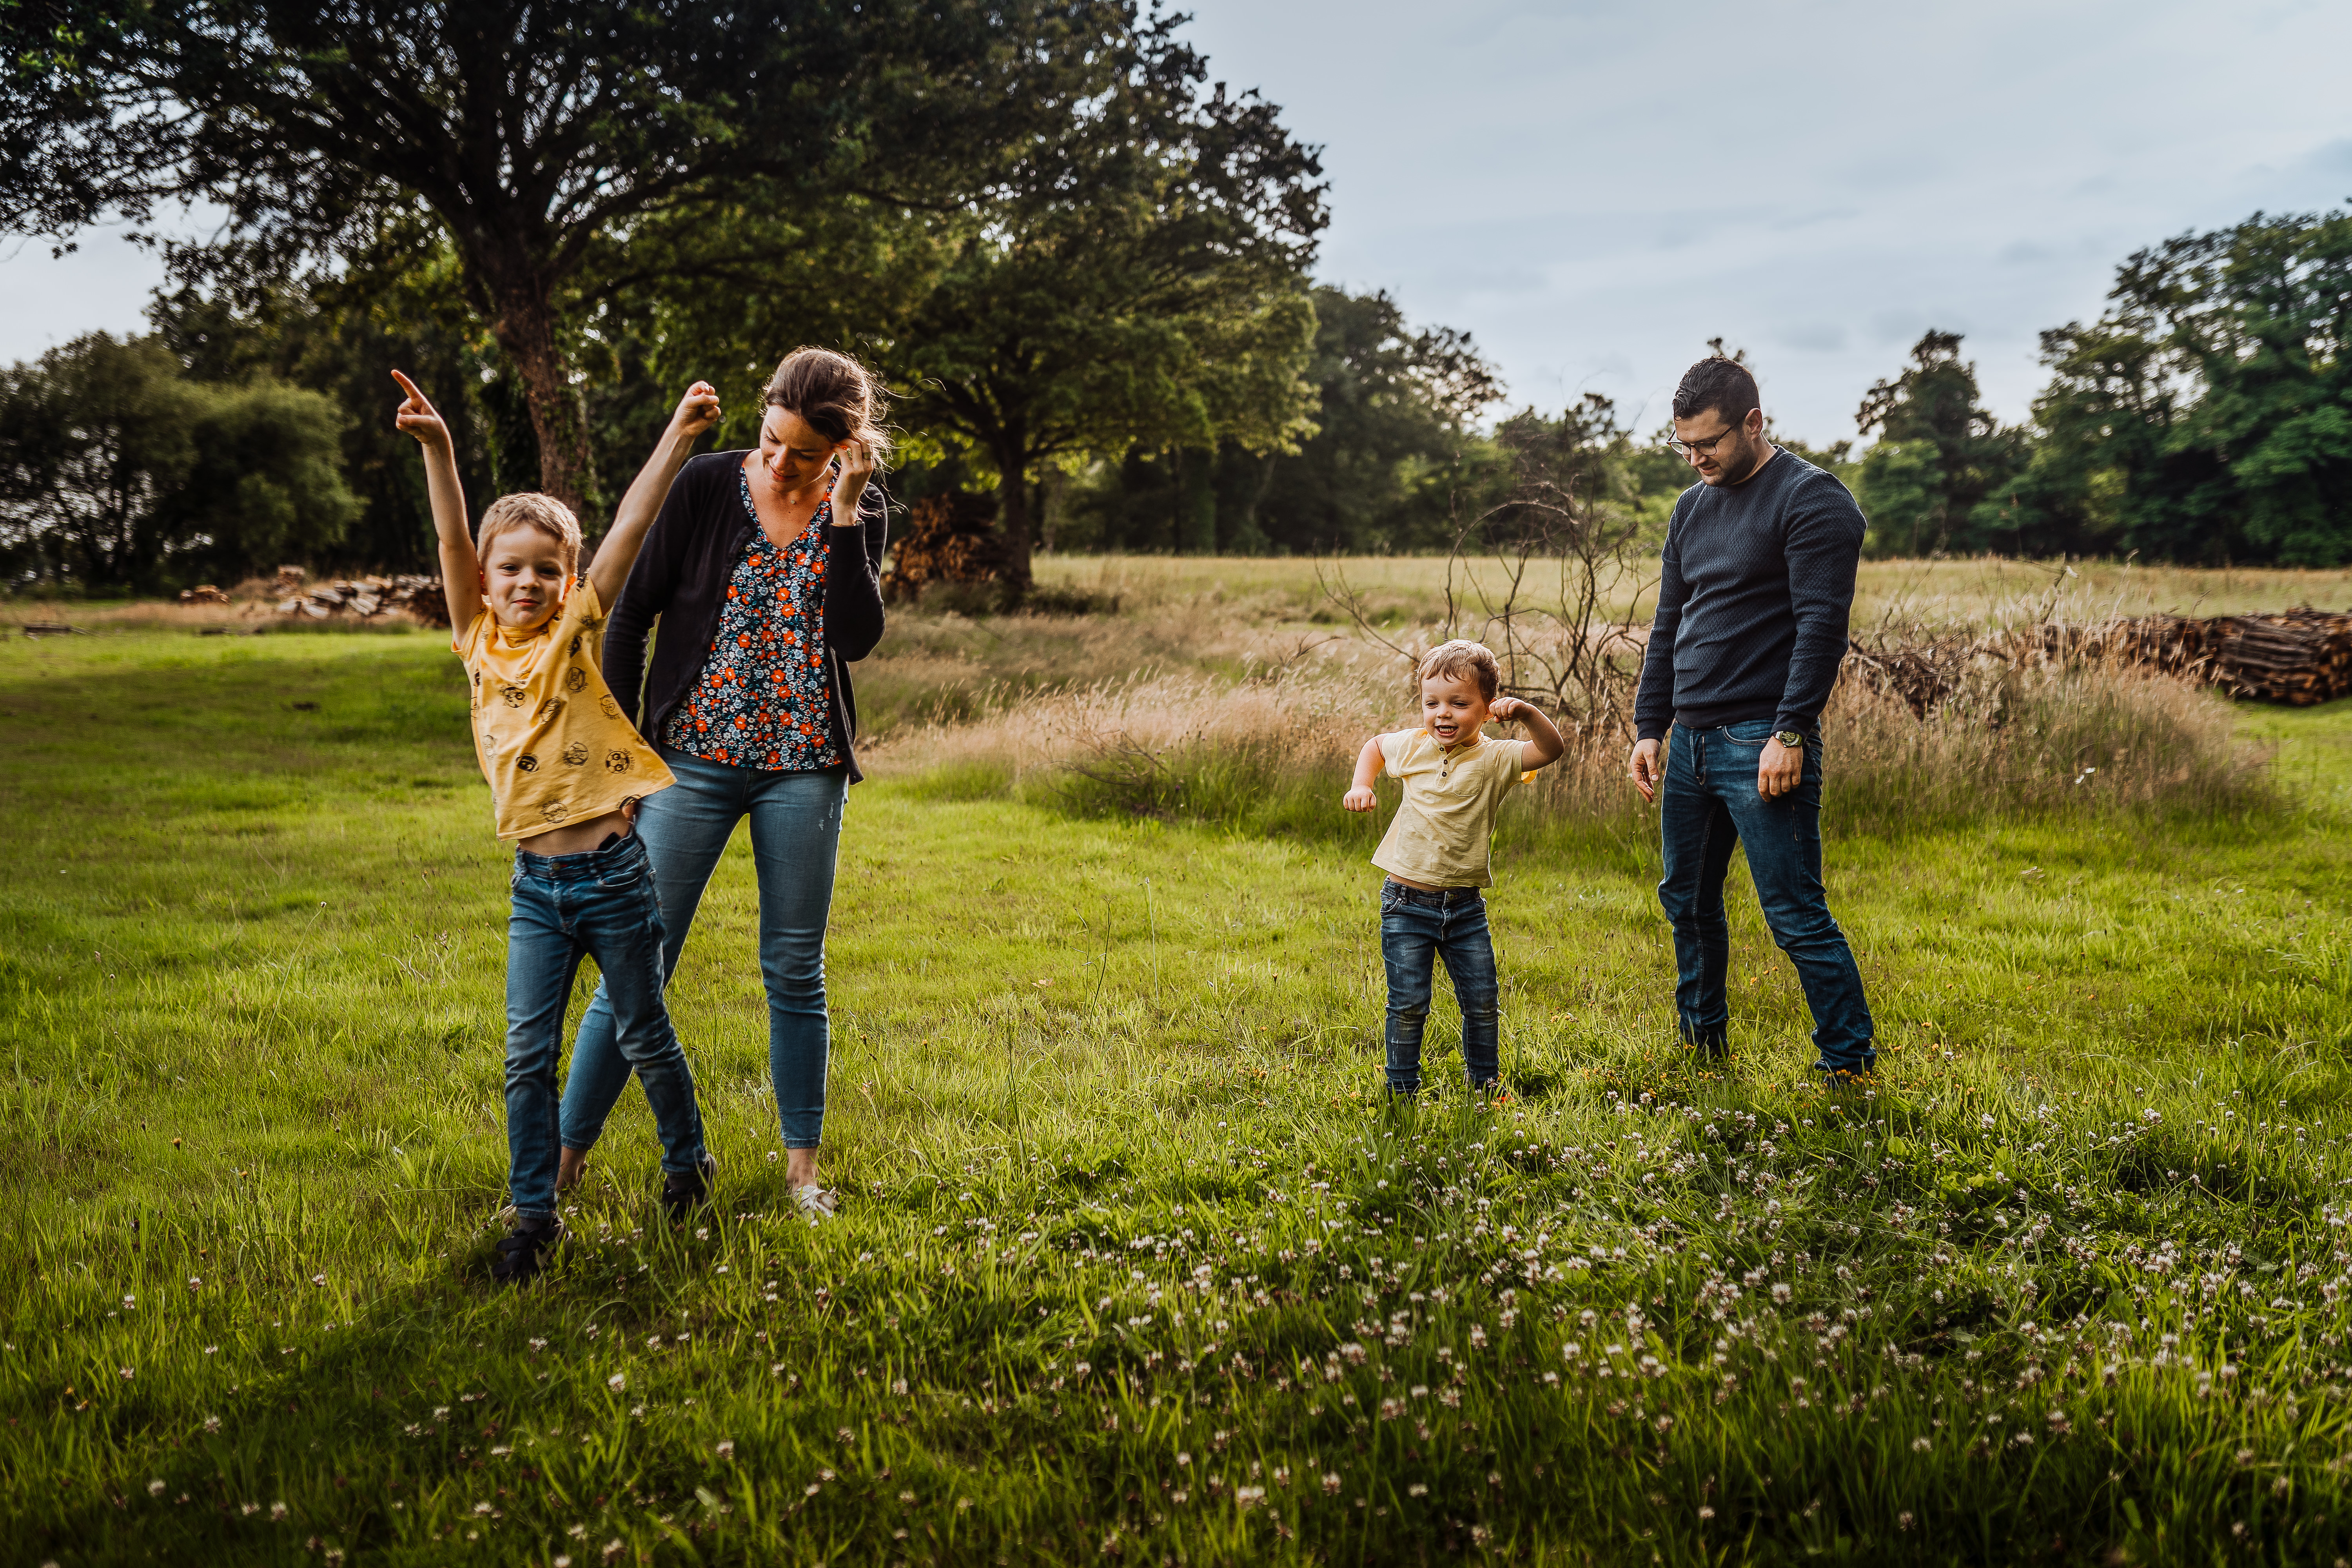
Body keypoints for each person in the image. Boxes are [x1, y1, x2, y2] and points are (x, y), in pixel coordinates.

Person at [392, 369, 723, 1283]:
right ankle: (534, 1218)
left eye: (546, 568)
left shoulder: (576, 627)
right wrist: (440, 447)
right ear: (487, 580)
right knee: (524, 1057)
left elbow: (625, 528)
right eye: (512, 568)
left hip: (615, 877)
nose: (527, 581)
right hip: (536, 890)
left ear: (567, 579)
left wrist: (679, 436)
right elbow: (453, 535)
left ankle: (686, 1165)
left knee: (645, 1032)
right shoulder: (475, 635)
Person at [557, 347, 890, 1221]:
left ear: (843, 450)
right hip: (691, 764)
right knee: (638, 963)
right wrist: (624, 756)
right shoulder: (707, 483)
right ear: (763, 415)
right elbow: (631, 615)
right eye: (773, 441)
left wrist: (847, 516)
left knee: (794, 968)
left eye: (807, 455)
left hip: (805, 771)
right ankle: (554, 1174)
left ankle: (802, 1177)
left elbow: (855, 639)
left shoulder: (860, 506)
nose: (783, 463)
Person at [1626, 354, 1876, 1083]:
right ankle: (1702, 1049)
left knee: (1794, 915)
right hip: (1692, 745)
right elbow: (1670, 623)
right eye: (1685, 445)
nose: (1696, 457)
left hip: (1760, 740)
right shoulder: (1690, 508)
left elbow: (1821, 627)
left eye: (1709, 443)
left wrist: (1790, 731)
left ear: (1754, 422)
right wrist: (1650, 727)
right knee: (1688, 905)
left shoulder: (1812, 501)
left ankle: (1847, 1065)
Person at [1343, 640, 1565, 1095]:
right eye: (1432, 703)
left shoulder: (1498, 758)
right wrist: (1361, 784)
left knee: (1482, 1003)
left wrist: (1525, 713)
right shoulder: (1413, 745)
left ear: (1488, 709)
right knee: (1408, 1004)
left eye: (1459, 703)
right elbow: (1375, 745)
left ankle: (1484, 1085)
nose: (1443, 713)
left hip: (1465, 909)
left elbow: (1552, 749)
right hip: (1405, 904)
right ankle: (1401, 1090)